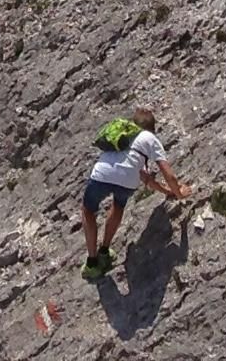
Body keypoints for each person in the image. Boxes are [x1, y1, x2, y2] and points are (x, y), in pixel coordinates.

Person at [80, 107, 190, 277]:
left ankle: (92, 264)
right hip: (128, 181)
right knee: (118, 206)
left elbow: (148, 176)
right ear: (152, 127)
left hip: (102, 174)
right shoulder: (150, 139)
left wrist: (170, 191)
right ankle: (104, 251)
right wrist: (177, 193)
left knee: (88, 210)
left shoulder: (124, 135)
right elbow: (161, 175)